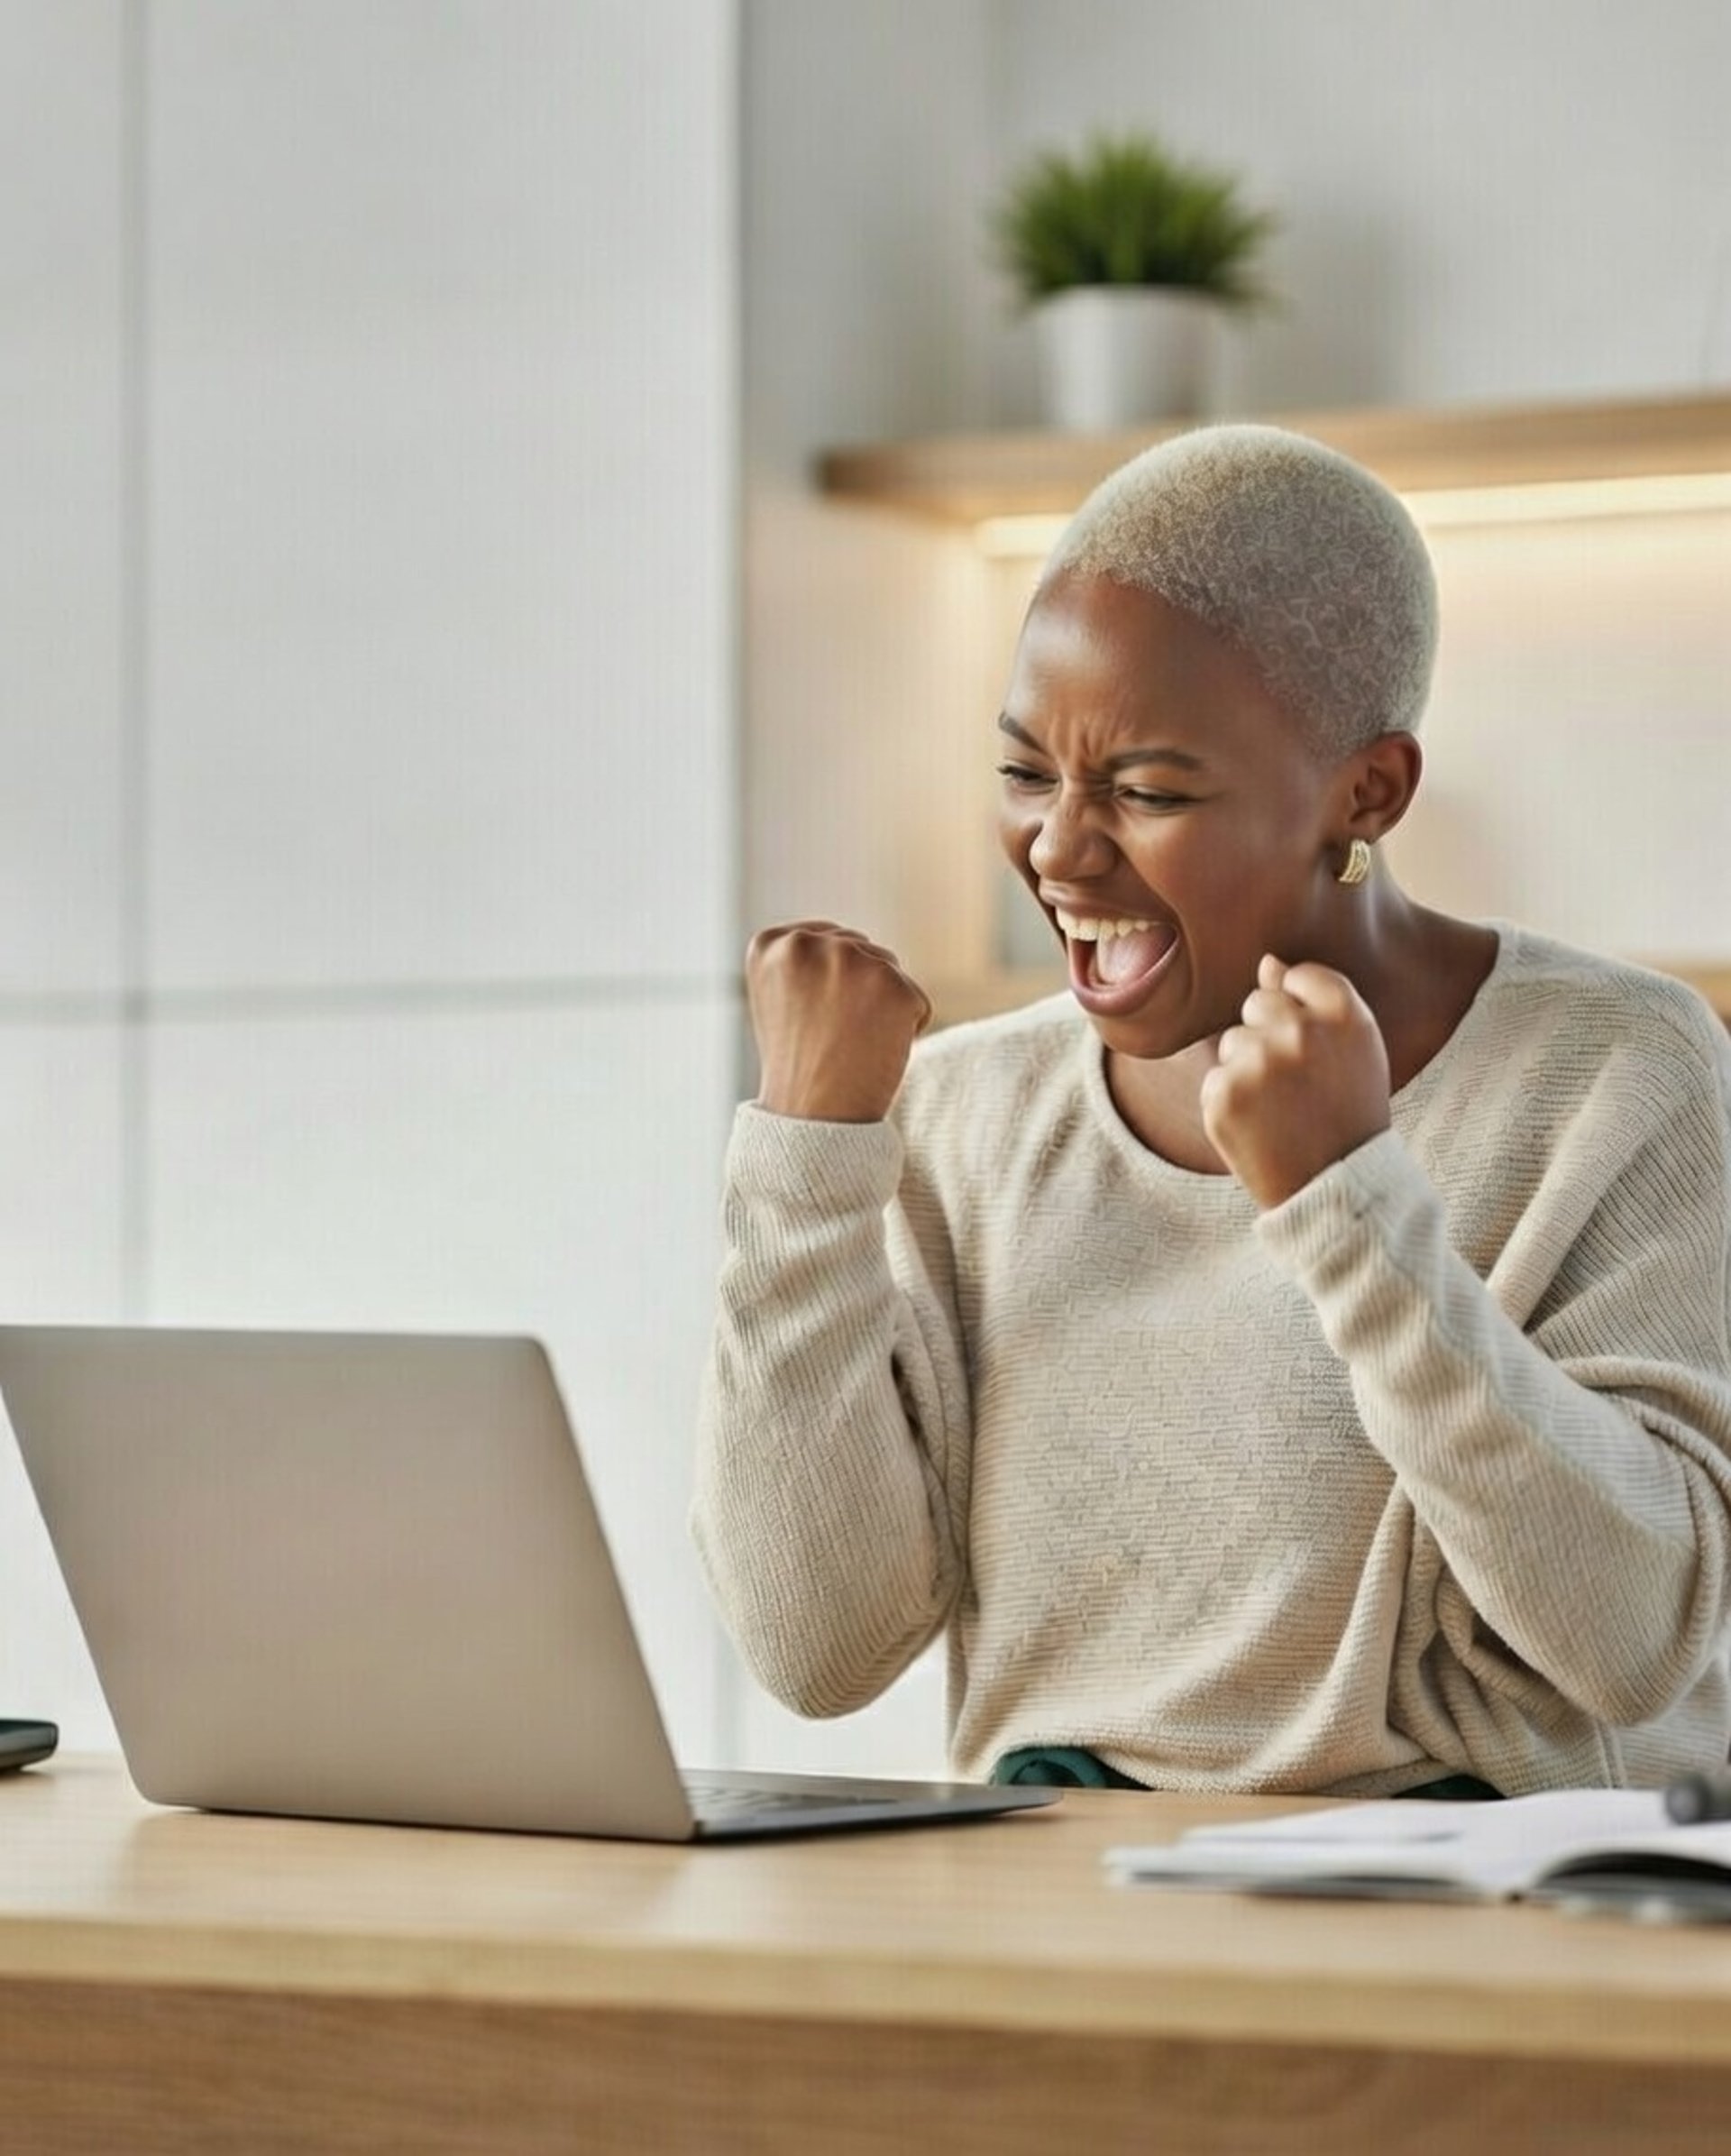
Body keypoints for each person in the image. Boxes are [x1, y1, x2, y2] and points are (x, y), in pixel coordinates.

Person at [691, 424, 1731, 1799]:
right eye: (1024, 773)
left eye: (1147, 790)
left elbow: (1636, 1635)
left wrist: (1352, 1202)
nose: (1058, 848)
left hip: (1469, 1920)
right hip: (1057, 1916)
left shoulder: (1613, 1066)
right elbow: (812, 1652)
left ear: (1366, 792)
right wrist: (806, 1166)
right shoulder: (965, 1109)